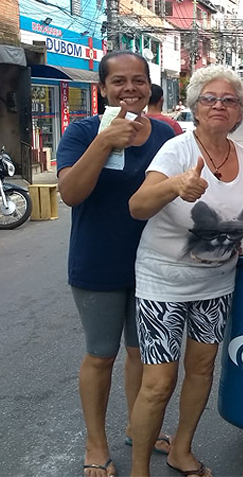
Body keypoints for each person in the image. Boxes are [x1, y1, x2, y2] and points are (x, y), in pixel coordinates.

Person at [128, 64, 243, 477]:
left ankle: (182, 450)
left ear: (239, 113)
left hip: (216, 283)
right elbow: (138, 206)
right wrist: (174, 186)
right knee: (159, 383)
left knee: (201, 370)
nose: (219, 106)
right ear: (196, 108)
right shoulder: (177, 151)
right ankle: (139, 468)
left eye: (228, 100)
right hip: (164, 281)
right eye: (209, 99)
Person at [56, 50, 175, 477]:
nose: (130, 89)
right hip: (97, 264)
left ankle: (135, 426)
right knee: (101, 355)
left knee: (141, 354)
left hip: (155, 266)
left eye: (138, 81)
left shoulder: (165, 135)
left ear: (149, 86)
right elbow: (70, 193)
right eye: (119, 82)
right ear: (102, 89)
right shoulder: (82, 131)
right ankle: (95, 442)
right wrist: (104, 142)